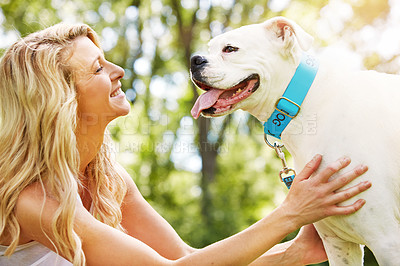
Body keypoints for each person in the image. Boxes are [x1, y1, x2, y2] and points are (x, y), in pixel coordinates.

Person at [0, 23, 371, 266]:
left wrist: (297, 250)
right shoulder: (34, 199)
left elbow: (188, 258)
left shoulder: (107, 178)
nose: (119, 71)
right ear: (57, 100)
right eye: (98, 68)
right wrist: (290, 214)